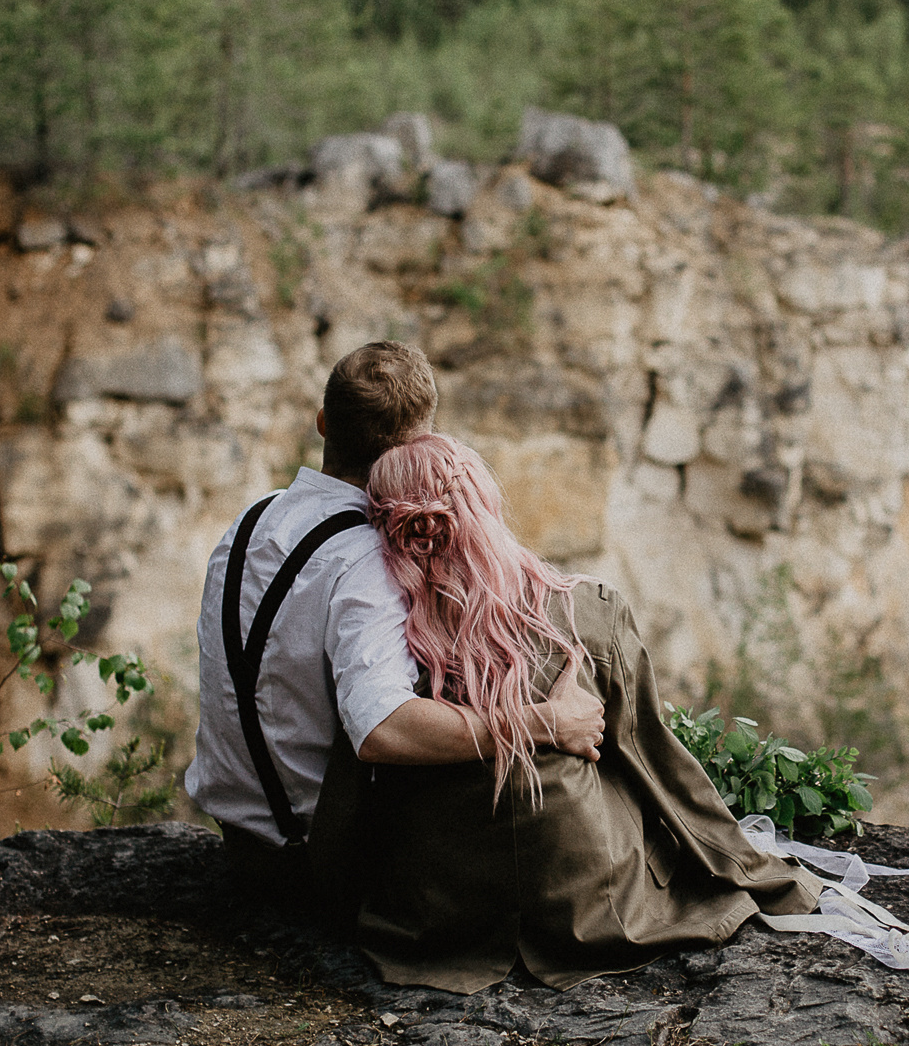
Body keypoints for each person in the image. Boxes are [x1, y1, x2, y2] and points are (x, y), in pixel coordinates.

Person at [350, 430, 819, 993]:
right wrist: (751, 871)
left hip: (440, 920)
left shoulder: (381, 636)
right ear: (485, 504)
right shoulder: (587, 612)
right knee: (620, 769)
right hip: (588, 912)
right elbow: (656, 763)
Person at [183, 342, 606, 905]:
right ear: (420, 447)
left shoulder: (251, 518)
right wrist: (545, 722)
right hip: (318, 864)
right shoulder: (364, 560)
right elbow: (383, 728)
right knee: (580, 633)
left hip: (244, 845)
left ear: (322, 423)